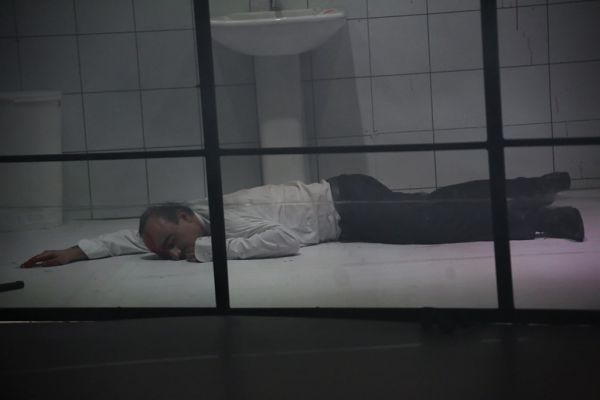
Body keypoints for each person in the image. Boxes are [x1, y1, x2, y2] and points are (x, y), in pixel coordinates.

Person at [21, 172, 584, 268]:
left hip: (346, 207)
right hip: (347, 198)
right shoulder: (194, 219)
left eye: (172, 240)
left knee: (433, 225)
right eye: (164, 249)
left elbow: (286, 239)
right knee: (433, 205)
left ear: (188, 217)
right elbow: (136, 235)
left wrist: (202, 253)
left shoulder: (221, 224)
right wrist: (79, 251)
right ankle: (530, 191)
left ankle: (541, 218)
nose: (171, 251)